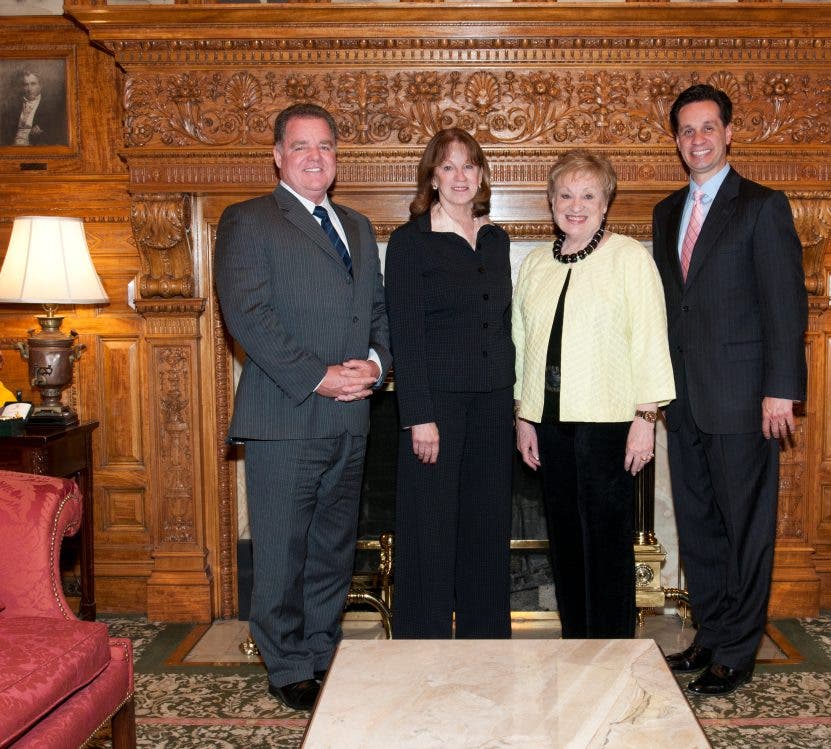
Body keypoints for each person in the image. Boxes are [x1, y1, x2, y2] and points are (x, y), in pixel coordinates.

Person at [214, 102, 391, 711]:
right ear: (278, 156)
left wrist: (377, 364)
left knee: (332, 550)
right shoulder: (248, 220)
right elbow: (247, 315)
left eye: (325, 146)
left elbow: (377, 311)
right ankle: (287, 663)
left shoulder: (358, 227)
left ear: (337, 156)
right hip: (286, 416)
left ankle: (321, 652)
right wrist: (320, 377)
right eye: (301, 145)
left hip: (351, 417)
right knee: (283, 550)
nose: (315, 157)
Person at [652, 84, 808, 695]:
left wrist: (781, 390)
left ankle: (739, 650)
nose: (698, 139)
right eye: (687, 130)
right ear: (677, 140)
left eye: (708, 127)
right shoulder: (667, 213)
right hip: (684, 398)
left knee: (745, 529)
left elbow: (784, 305)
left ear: (729, 133)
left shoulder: (762, 207)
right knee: (699, 526)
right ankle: (711, 635)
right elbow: (675, 307)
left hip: (746, 400)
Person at [513, 149, 675, 640]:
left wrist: (646, 419)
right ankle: (576, 647)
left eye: (588, 195)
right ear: (551, 202)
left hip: (609, 426)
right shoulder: (536, 264)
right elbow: (522, 344)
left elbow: (650, 337)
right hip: (550, 425)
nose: (576, 205)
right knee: (564, 541)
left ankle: (611, 655)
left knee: (605, 544)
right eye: (566, 195)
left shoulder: (629, 258)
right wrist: (523, 416)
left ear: (606, 203)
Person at [385, 128, 515, 639]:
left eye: (468, 166)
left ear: (480, 175)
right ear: (432, 178)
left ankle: (487, 648)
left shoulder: (496, 240)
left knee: (486, 530)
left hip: (493, 405)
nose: (460, 176)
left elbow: (503, 324)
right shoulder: (410, 242)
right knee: (429, 532)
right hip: (434, 409)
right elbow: (405, 334)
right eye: (448, 166)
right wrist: (419, 416)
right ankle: (423, 650)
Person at [0, 69, 68, 146]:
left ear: (40, 86)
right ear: (22, 87)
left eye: (33, 84)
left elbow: (57, 132)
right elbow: (5, 132)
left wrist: (41, 131)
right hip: (12, 146)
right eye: (26, 85)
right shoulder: (13, 106)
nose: (29, 89)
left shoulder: (50, 106)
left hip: (36, 145)